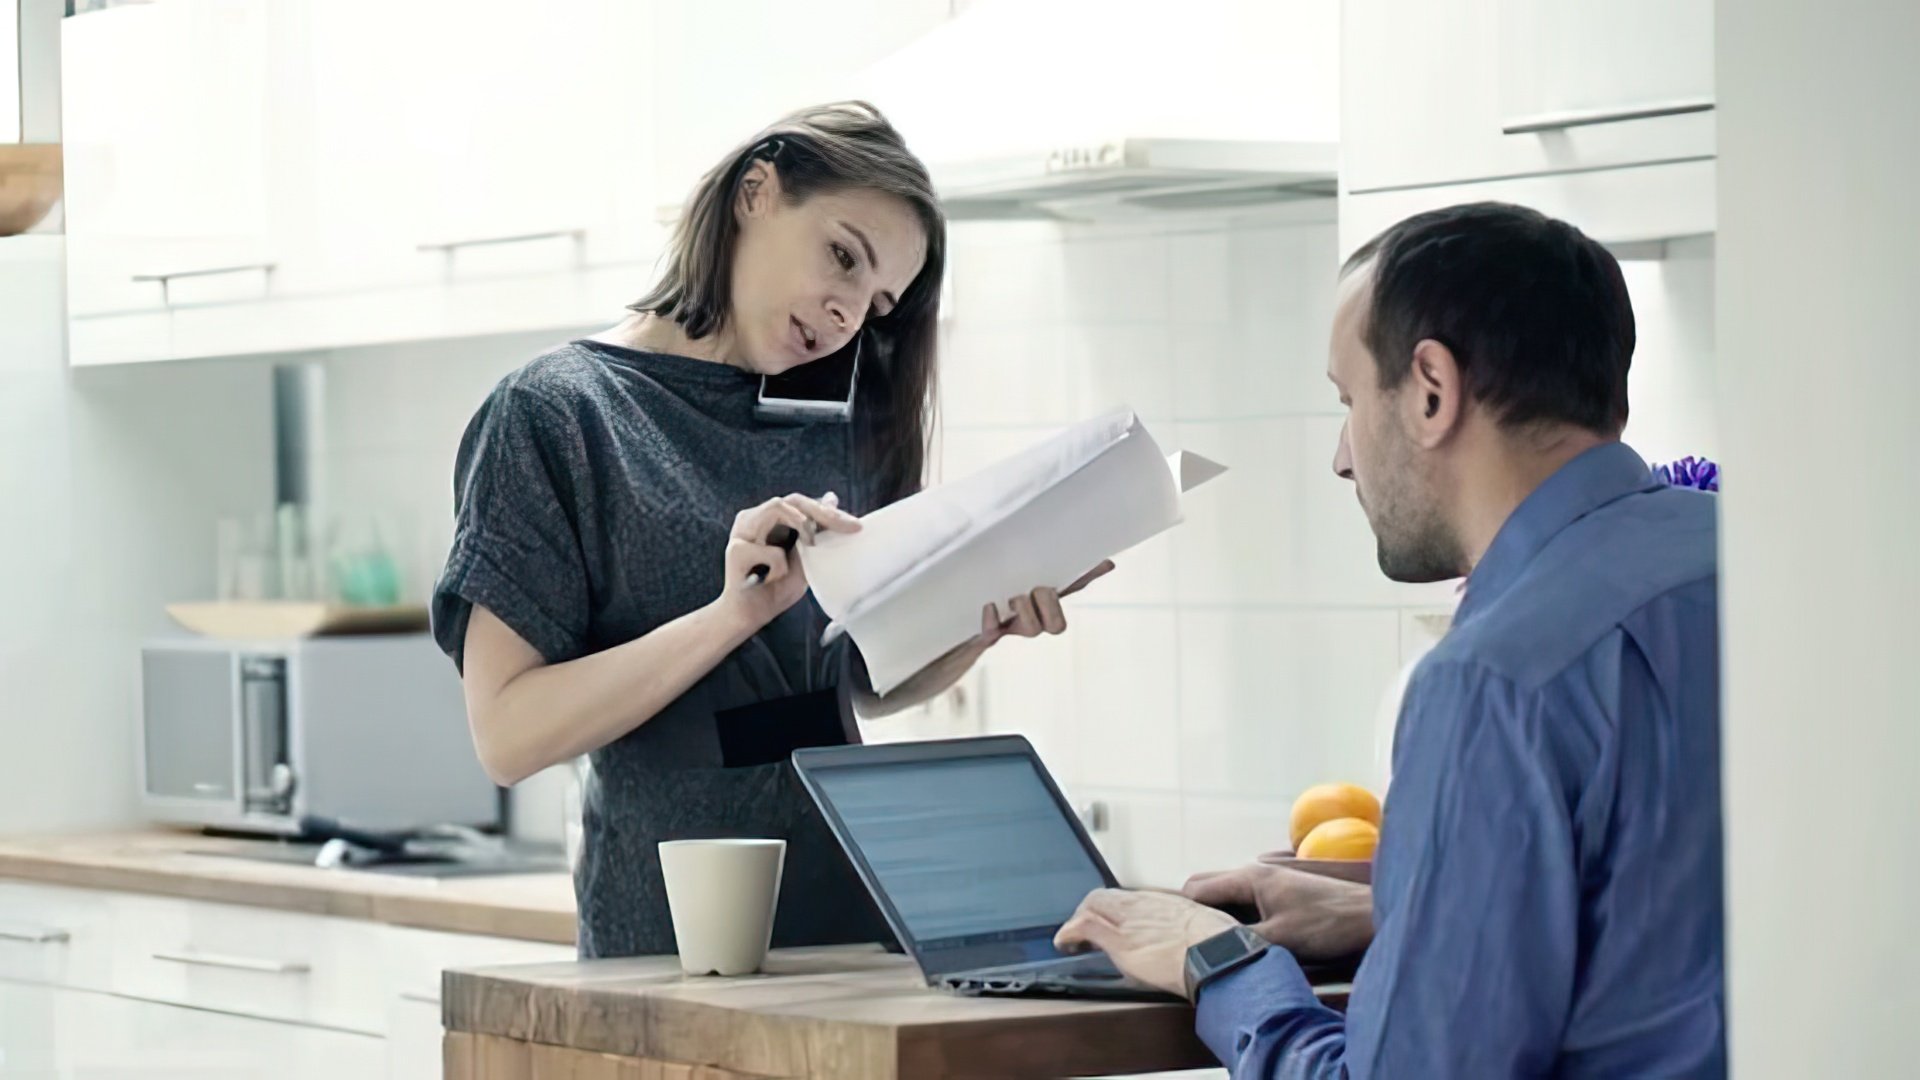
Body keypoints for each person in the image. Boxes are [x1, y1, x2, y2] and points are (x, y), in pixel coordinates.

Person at [1056, 202, 1724, 1077]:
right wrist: (1393, 912)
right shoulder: (1756, 572)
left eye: (1348, 401)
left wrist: (1217, 961)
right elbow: (1669, 925)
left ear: (1431, 391)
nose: (1342, 457)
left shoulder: (1495, 681)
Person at [431, 101, 1110, 959]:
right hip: (675, 938)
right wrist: (730, 616)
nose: (847, 313)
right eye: (841, 257)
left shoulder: (835, 425)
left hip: (859, 923)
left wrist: (978, 622)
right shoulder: (557, 413)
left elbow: (849, 686)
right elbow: (508, 735)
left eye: (877, 299)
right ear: (757, 190)